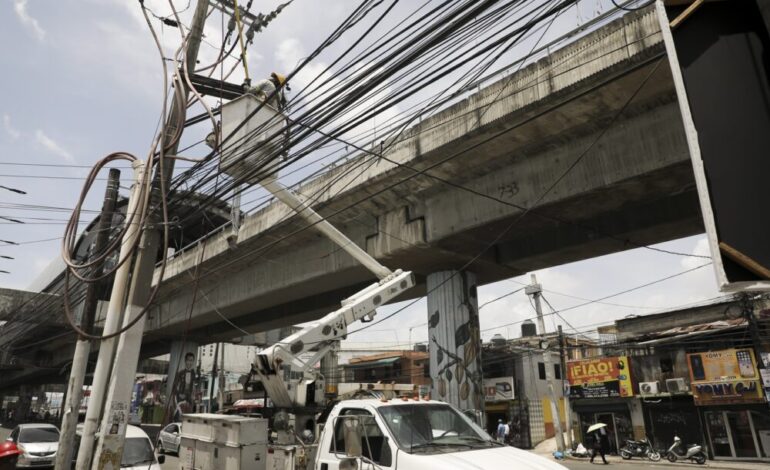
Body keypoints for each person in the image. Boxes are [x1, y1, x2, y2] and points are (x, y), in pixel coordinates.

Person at [171, 352, 198, 419]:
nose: (190, 362)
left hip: (189, 399)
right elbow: (174, 388)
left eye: (191, 360)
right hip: (180, 399)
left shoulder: (194, 374)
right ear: (185, 361)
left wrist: (193, 396)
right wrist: (179, 395)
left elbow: (194, 387)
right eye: (188, 360)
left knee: (188, 418)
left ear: (193, 362)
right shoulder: (180, 373)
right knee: (179, 417)